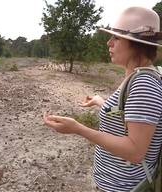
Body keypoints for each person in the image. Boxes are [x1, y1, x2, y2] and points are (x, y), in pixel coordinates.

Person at [43, 6, 162, 192]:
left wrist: (78, 129)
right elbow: (128, 117)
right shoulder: (136, 77)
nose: (109, 43)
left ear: (136, 43)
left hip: (124, 188)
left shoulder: (143, 83)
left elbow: (135, 151)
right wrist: (101, 101)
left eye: (116, 37)